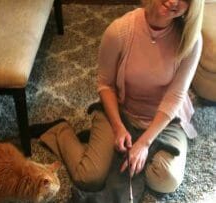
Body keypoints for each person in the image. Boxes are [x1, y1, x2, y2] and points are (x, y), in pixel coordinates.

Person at [35, 0, 204, 194]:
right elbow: (105, 85)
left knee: (165, 180)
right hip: (122, 111)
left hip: (166, 120)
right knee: (88, 177)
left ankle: (121, 153)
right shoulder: (119, 31)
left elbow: (175, 96)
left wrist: (144, 143)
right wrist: (117, 127)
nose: (174, 1)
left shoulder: (191, 40)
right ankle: (60, 131)